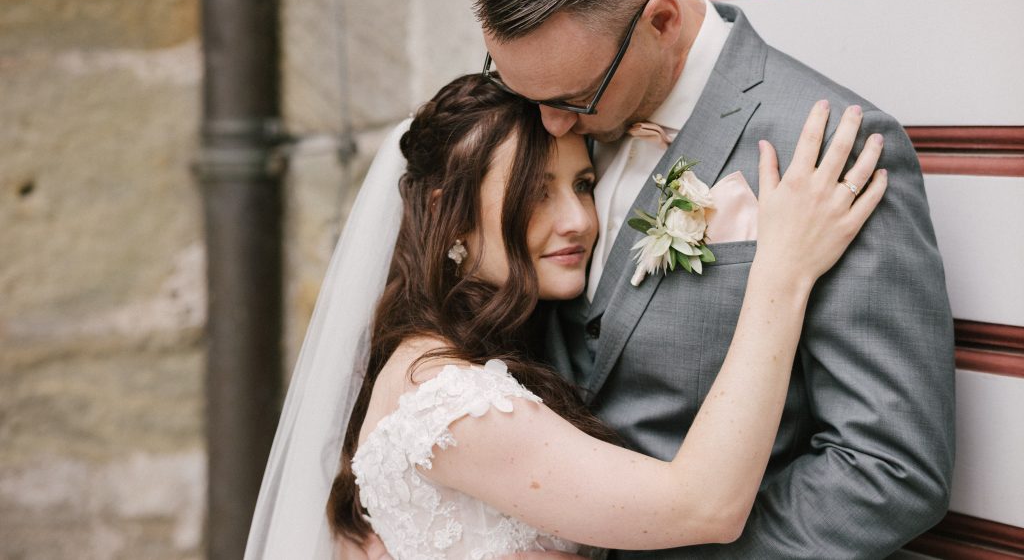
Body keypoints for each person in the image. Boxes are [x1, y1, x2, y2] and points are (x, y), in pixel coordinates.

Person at [471, 0, 955, 558]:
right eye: (523, 91)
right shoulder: (545, 118)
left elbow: (888, 468)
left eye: (575, 98)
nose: (548, 124)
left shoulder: (825, 149)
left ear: (662, 21)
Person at [318, 72, 887, 559]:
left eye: (583, 185)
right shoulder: (450, 402)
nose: (578, 221)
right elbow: (704, 506)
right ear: (451, 214)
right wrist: (783, 270)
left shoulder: (434, 357)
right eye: (537, 193)